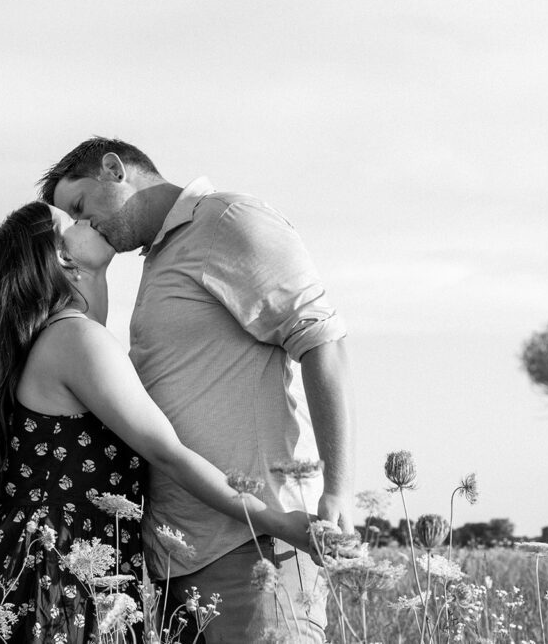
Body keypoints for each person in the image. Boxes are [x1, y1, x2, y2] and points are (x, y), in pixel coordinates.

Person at [0, 201, 317, 644]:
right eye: (74, 221)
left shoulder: (55, 340)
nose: (88, 218)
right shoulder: (75, 337)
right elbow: (168, 453)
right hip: (55, 574)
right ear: (59, 258)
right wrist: (277, 522)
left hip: (29, 564)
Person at [40, 138, 356, 643]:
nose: (82, 226)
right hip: (176, 562)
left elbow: (322, 342)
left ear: (114, 169)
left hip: (254, 546)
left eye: (79, 207)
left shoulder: (229, 220)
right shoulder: (161, 256)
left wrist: (337, 490)